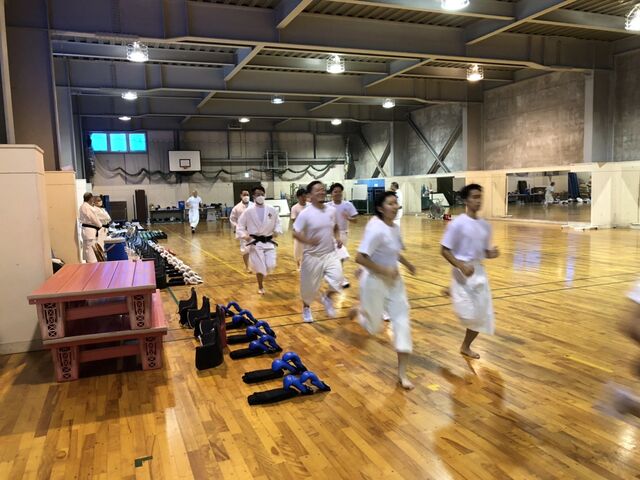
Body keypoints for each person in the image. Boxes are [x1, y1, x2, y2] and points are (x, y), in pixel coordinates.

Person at [351, 191, 416, 389]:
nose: (395, 206)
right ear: (380, 208)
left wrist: (408, 264)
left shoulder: (395, 228)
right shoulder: (376, 229)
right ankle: (360, 312)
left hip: (395, 283)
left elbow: (394, 252)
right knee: (373, 328)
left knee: (402, 324)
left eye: (396, 203)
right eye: (390, 203)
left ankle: (402, 374)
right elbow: (360, 257)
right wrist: (383, 270)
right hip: (374, 282)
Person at [441, 184, 499, 359]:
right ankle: (454, 289)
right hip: (461, 272)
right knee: (466, 313)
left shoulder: (485, 226)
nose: (478, 200)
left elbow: (484, 251)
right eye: (474, 197)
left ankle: (466, 346)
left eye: (480, 197)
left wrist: (491, 253)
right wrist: (461, 266)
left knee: (481, 315)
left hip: (478, 272)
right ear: (466, 200)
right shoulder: (457, 224)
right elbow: (444, 250)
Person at [293, 181, 343, 323]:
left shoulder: (331, 210)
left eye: (323, 189)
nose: (322, 192)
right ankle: (306, 308)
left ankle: (327, 297)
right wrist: (308, 241)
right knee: (308, 289)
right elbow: (295, 233)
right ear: (310, 195)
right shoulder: (305, 214)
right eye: (318, 190)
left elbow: (335, 227)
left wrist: (337, 238)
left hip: (330, 254)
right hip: (312, 256)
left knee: (338, 280)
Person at [236, 185, 282, 295]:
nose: (260, 196)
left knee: (271, 264)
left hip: (268, 241)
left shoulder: (271, 209)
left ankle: (263, 273)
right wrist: (244, 236)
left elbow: (278, 222)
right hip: (255, 243)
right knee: (260, 267)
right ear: (253, 196)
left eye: (262, 194)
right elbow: (240, 226)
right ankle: (260, 286)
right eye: (258, 194)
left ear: (264, 195)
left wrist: (277, 231)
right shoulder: (248, 211)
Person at [327, 182, 358, 288]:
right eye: (335, 192)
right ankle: (338, 278)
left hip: (343, 233)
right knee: (334, 257)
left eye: (340, 192)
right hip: (330, 234)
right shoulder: (327, 206)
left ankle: (337, 277)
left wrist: (348, 218)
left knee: (340, 257)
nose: (338, 194)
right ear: (331, 193)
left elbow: (356, 220)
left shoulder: (348, 205)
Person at [230, 190, 252, 272]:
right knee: (245, 249)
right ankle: (247, 267)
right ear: (241, 196)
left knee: (256, 248)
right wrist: (237, 227)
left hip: (254, 230)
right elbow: (232, 219)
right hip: (243, 231)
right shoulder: (237, 208)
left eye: (247, 194)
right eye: (244, 194)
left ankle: (256, 265)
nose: (246, 196)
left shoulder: (254, 205)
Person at [78, 192, 102, 263]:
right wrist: (99, 225)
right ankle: (92, 265)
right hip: (89, 231)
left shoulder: (84, 206)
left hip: (87, 230)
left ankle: (89, 264)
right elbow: (93, 218)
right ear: (90, 198)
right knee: (91, 251)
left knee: (87, 249)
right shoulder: (87, 207)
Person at [290, 188, 307, 271]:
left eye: (305, 196)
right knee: (298, 250)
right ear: (298, 197)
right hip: (299, 231)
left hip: (309, 231)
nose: (304, 198)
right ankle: (298, 265)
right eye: (302, 197)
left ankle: (306, 265)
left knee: (307, 249)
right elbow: (294, 219)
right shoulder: (295, 207)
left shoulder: (310, 206)